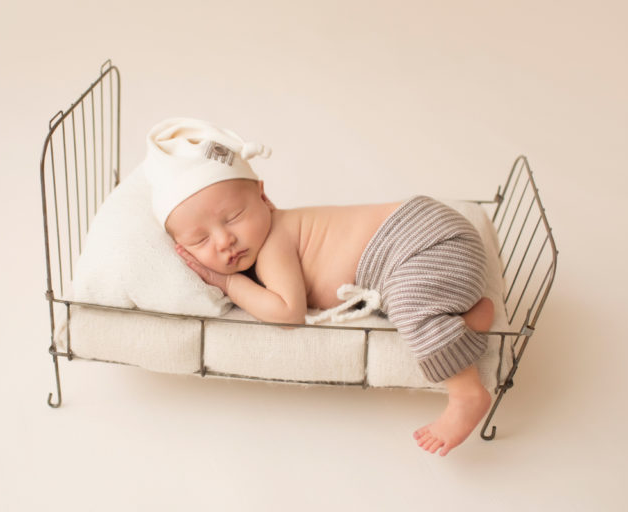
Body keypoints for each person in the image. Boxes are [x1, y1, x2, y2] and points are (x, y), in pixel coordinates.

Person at [145, 118, 495, 456]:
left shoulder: (274, 242)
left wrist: (226, 281)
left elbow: (288, 313)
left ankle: (467, 393)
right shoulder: (263, 238)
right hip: (436, 242)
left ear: (264, 197)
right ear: (182, 249)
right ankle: (461, 322)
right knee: (409, 302)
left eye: (234, 217)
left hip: (422, 241)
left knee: (408, 302)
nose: (225, 241)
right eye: (201, 239)